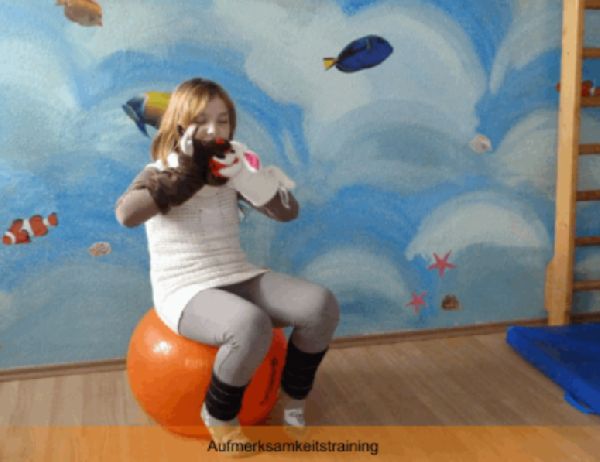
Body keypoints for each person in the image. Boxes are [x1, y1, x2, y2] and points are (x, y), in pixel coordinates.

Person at [115, 78, 340, 451]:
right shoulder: (159, 169)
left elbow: (288, 212)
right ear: (180, 124)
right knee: (249, 324)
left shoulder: (233, 164)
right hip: (184, 288)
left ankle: (293, 397)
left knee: (321, 305)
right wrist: (185, 175)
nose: (213, 130)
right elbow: (127, 215)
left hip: (236, 273)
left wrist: (246, 178)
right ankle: (218, 414)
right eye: (201, 120)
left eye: (222, 120)